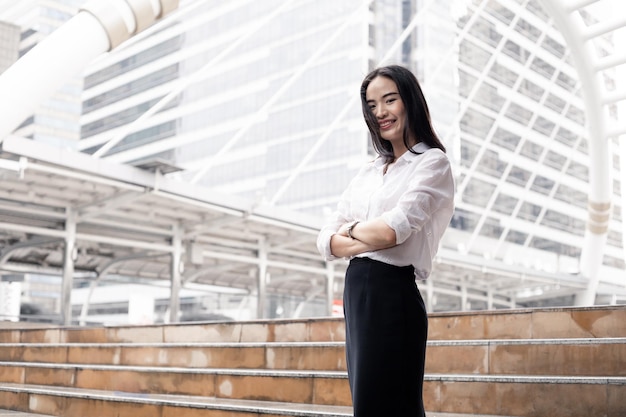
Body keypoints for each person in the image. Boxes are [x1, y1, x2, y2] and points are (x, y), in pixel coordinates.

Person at [316, 65, 455, 416]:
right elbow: (324, 240)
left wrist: (349, 231)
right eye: (372, 105)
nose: (380, 112)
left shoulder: (432, 163)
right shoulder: (368, 170)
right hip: (357, 296)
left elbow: (394, 231)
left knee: (392, 406)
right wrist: (363, 234)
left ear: (409, 101)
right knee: (368, 406)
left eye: (389, 100)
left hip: (392, 296)